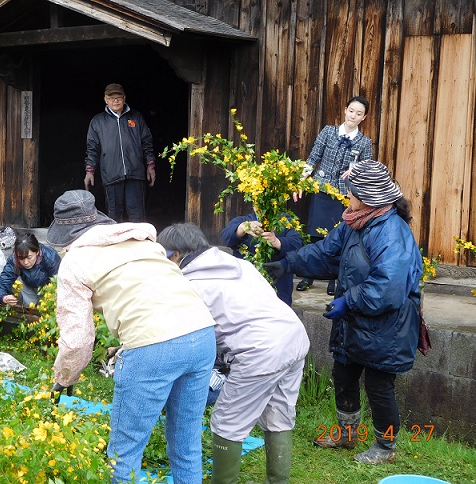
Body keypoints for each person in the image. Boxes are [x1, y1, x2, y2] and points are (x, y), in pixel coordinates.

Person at [46, 190, 216, 484]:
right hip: (202, 333)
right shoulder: (141, 242)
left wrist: (64, 378)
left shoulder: (74, 262)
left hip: (153, 346)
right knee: (187, 443)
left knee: (124, 453)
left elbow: (78, 339)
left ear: (65, 234)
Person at [265, 160, 423, 465]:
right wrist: (288, 263)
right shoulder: (355, 222)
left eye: (350, 193)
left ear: (366, 196)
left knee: (379, 385)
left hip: (387, 326)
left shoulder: (392, 232)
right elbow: (325, 253)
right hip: (355, 321)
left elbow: (388, 288)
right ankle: (347, 433)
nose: (346, 197)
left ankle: (385, 446)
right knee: (344, 373)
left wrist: (348, 301)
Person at [158, 223, 310, 484]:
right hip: (294, 336)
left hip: (260, 350)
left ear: (176, 255)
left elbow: (188, 338)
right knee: (279, 414)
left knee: (227, 421)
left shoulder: (189, 285)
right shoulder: (238, 264)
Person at [295, 95, 373, 294]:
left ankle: (333, 278)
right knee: (314, 234)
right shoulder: (328, 131)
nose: (353, 116)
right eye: (351, 111)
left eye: (359, 113)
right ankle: (308, 274)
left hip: (343, 195)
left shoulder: (365, 142)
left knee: (337, 235)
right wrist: (303, 177)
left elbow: (366, 168)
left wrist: (355, 173)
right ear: (345, 110)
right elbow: (314, 157)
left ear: (363, 118)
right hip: (321, 188)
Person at [83, 83, 156, 222]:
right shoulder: (98, 121)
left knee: (137, 216)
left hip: (135, 174)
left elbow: (147, 142)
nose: (115, 100)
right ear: (105, 99)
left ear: (124, 98)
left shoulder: (136, 117)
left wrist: (150, 166)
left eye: (118, 97)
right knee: (114, 217)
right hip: (111, 175)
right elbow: (92, 148)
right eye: (111, 98)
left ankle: (139, 243)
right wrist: (89, 171)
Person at [221, 212, 302, 306]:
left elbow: (298, 246)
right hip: (245, 290)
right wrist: (241, 228)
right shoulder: (243, 221)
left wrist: (277, 242)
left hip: (278, 288)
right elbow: (226, 237)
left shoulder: (287, 222)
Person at [0, 232, 61, 307]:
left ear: (37, 251)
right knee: (18, 282)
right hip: (28, 288)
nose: (25, 262)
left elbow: (59, 282)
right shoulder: (14, 261)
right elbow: (1, 285)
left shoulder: (50, 257)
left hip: (46, 288)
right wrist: (4, 297)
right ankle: (29, 307)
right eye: (21, 258)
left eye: (29, 257)